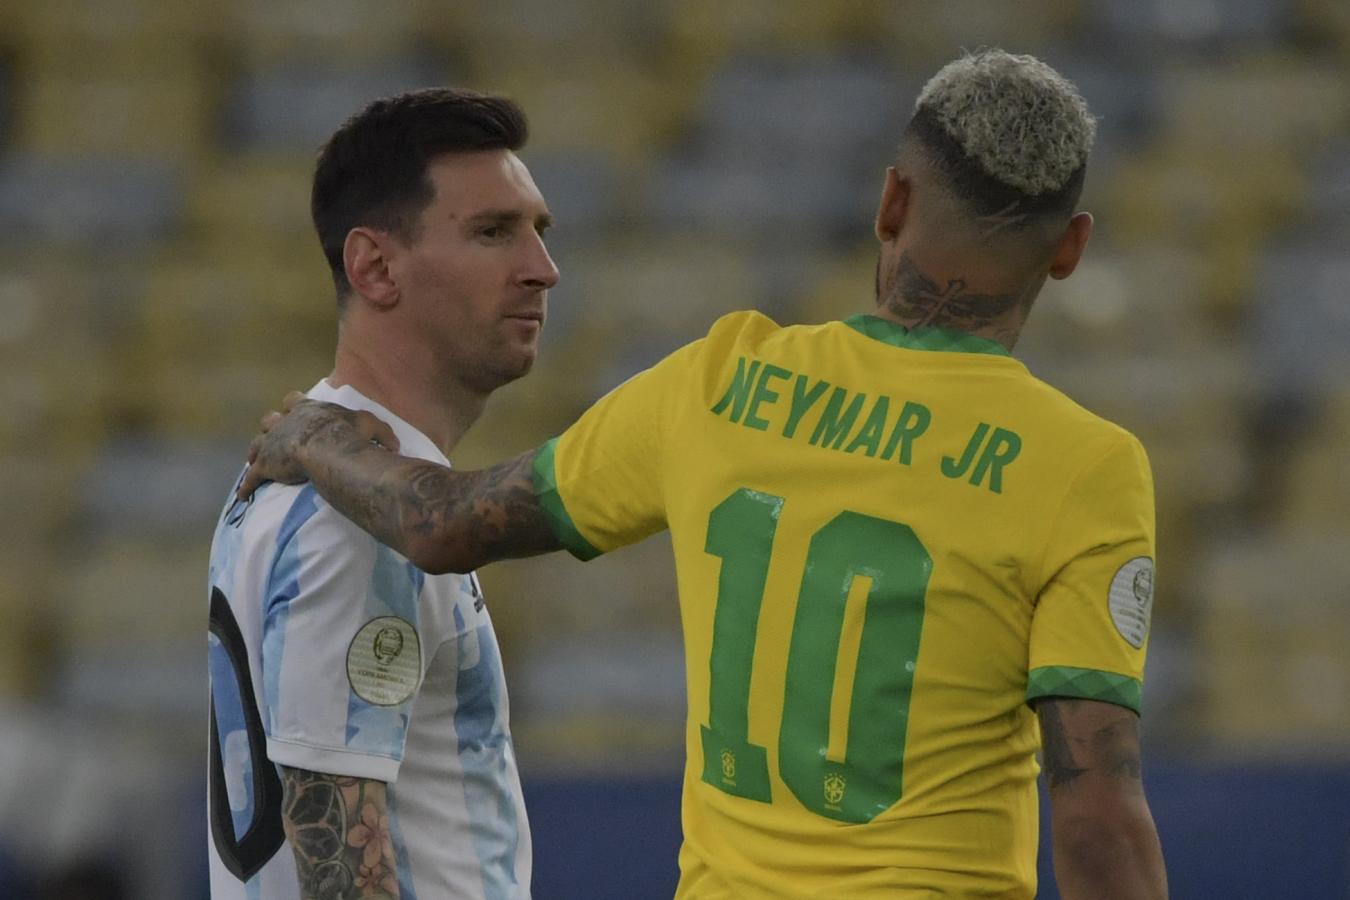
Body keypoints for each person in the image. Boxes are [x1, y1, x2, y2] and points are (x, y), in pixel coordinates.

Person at [239, 51, 1169, 899]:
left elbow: (443, 522)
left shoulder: (725, 379)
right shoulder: (1085, 468)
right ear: (1071, 247)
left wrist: (320, 440)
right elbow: (1093, 815)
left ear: (890, 202)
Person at [207, 87, 557, 899]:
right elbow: (334, 858)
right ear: (374, 266)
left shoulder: (315, 458)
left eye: (538, 231)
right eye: (493, 232)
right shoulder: (359, 511)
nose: (542, 269)